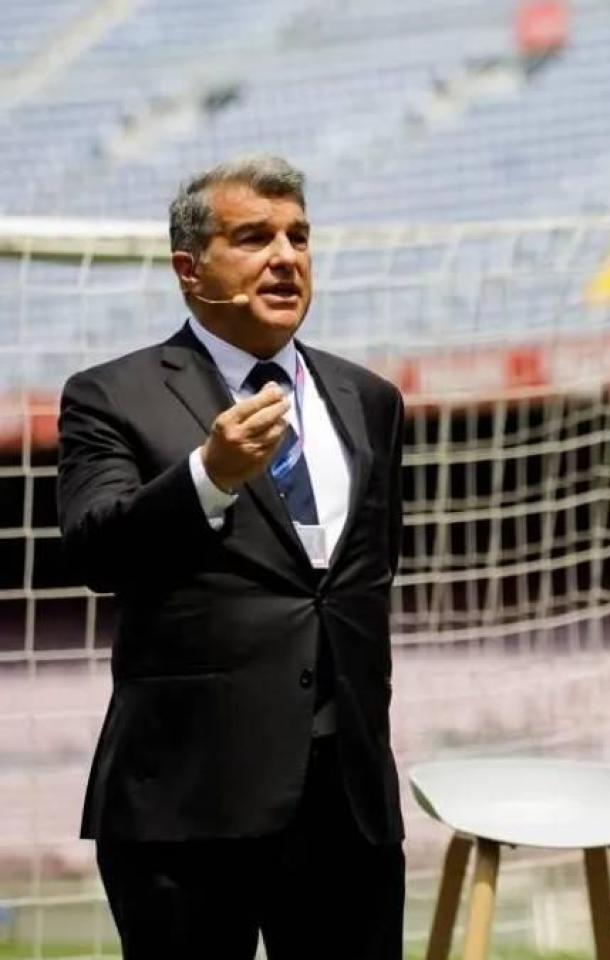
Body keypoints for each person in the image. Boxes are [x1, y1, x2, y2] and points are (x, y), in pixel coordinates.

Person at [56, 154, 406, 959]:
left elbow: (366, 575)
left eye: (299, 237)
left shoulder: (370, 399)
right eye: (253, 237)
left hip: (346, 807)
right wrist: (207, 478)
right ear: (189, 268)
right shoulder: (112, 395)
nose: (285, 257)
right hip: (186, 803)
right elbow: (95, 549)